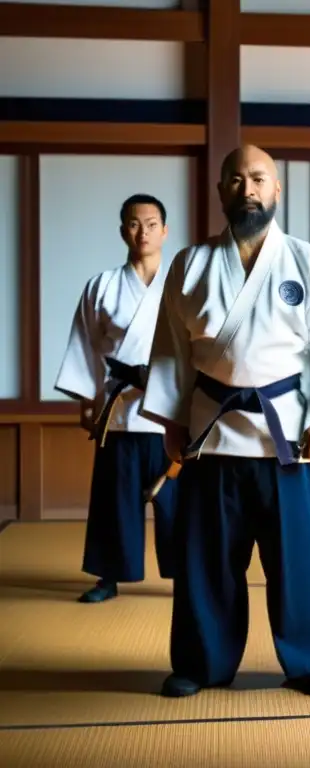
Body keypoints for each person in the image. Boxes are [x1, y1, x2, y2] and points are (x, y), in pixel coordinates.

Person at [141, 145, 310, 698]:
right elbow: (170, 351)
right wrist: (172, 423)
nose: (248, 189)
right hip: (210, 435)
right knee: (207, 562)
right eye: (236, 180)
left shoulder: (309, 263)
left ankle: (309, 662)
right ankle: (200, 663)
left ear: (277, 189)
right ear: (220, 192)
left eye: (259, 178)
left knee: (298, 562)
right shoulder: (189, 264)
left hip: (285, 438)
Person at [54, 194, 178, 604]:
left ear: (165, 229)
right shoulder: (102, 286)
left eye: (151, 223)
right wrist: (87, 401)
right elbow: (85, 345)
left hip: (169, 409)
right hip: (120, 409)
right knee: (114, 496)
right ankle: (108, 575)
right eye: (133, 223)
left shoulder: (182, 286)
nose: (142, 231)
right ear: (122, 230)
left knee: (178, 498)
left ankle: (189, 576)